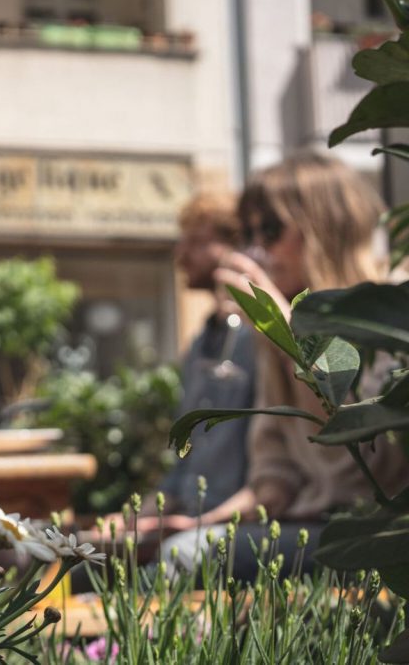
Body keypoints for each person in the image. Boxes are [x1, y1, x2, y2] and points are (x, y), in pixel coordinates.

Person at [161, 152, 409, 579]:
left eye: (271, 230)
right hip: (310, 525)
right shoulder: (273, 334)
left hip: (380, 536)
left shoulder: (391, 311)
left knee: (179, 560)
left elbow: (374, 456)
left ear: (324, 227)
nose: (257, 248)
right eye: (250, 232)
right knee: (149, 556)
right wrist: (208, 520)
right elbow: (274, 472)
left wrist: (289, 336)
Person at [103, 192, 257, 538]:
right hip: (192, 520)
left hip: (238, 524)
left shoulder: (259, 340)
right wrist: (133, 518)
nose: (181, 254)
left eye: (197, 242)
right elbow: (185, 462)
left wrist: (200, 523)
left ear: (239, 247)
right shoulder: (202, 343)